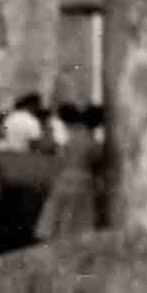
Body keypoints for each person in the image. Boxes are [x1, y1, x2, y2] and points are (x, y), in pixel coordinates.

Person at [34, 103, 103, 240]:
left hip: (64, 177)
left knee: (57, 216)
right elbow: (97, 160)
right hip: (83, 180)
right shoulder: (92, 141)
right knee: (76, 220)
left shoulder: (71, 134)